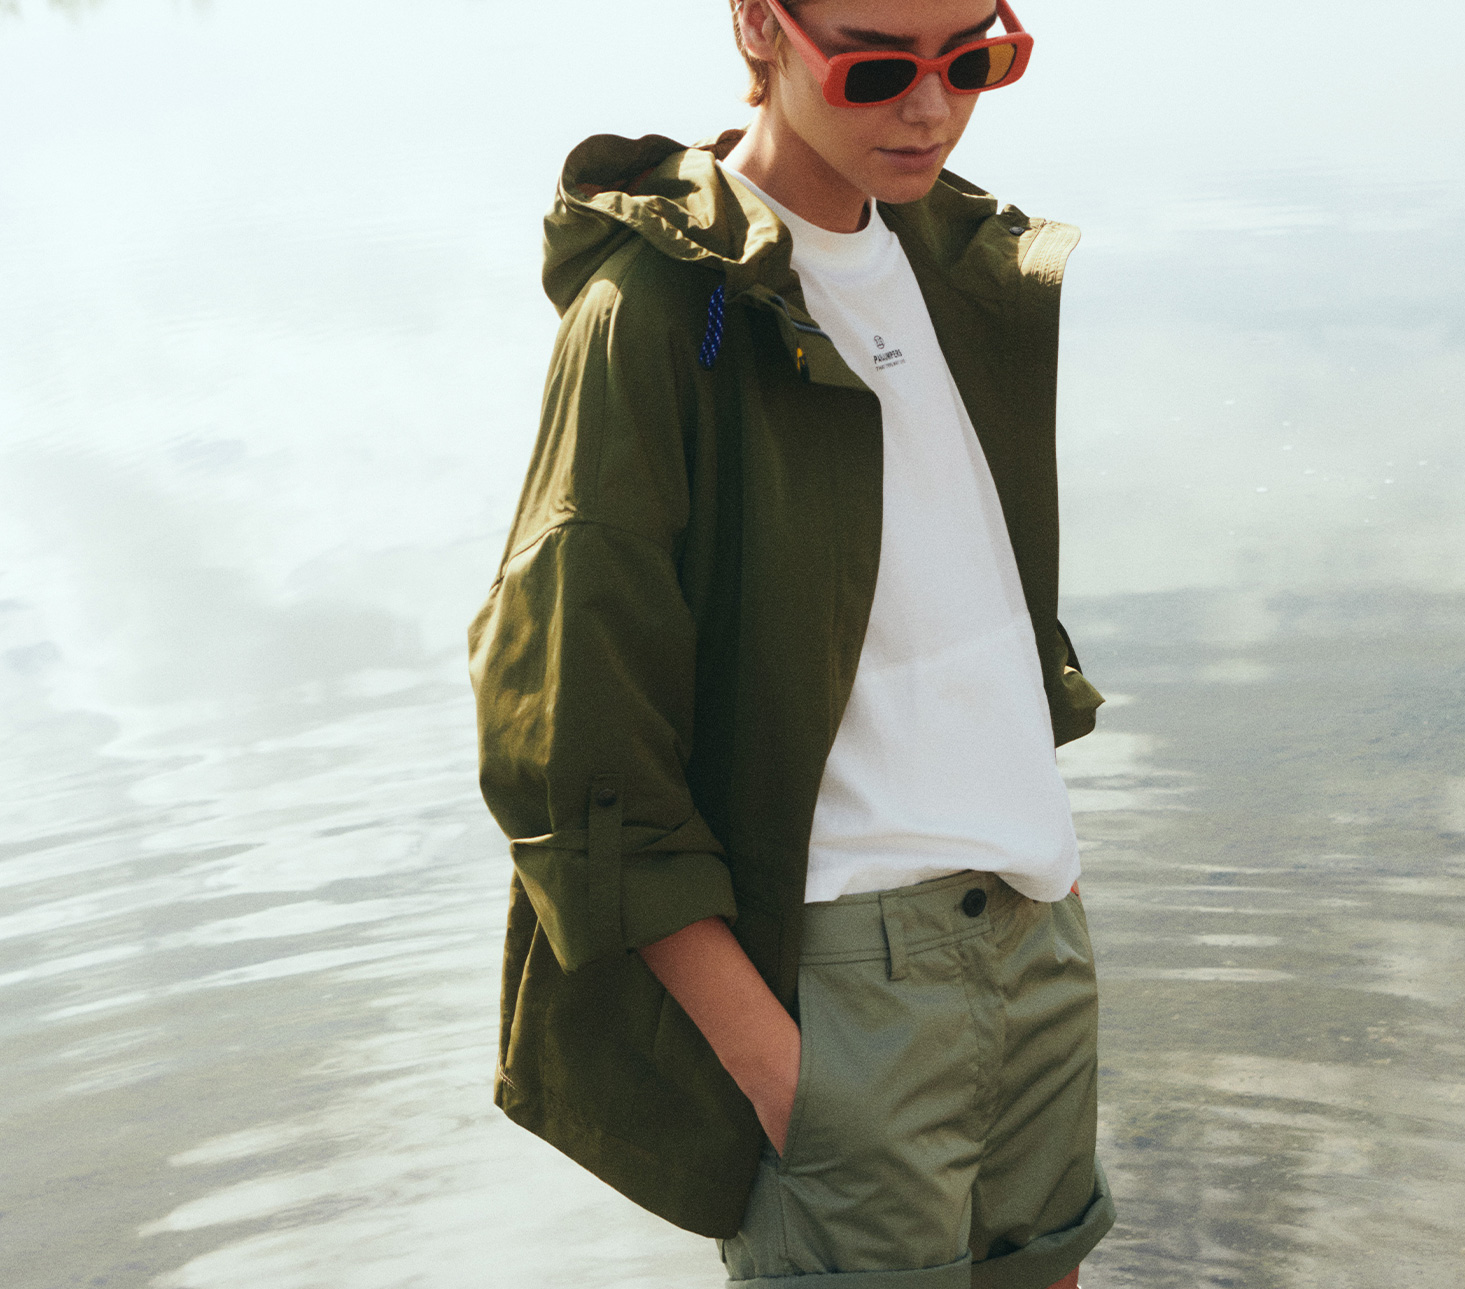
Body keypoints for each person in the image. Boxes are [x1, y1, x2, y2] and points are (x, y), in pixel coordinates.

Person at [467, 0, 1113, 1284]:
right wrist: (776, 1066)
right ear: (759, 26)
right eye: (875, 67)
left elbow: (964, 611)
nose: (929, 109)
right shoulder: (655, 311)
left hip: (1034, 932)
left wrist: (1049, 888)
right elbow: (566, 734)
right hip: (839, 976)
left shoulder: (955, 260)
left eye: (972, 60)